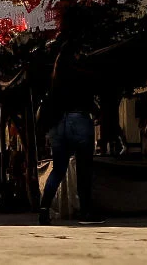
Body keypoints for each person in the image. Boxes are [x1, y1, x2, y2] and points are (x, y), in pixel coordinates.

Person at [39, 44, 100, 225]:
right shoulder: (80, 73)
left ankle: (44, 209)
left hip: (58, 125)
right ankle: (85, 211)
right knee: (83, 169)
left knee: (58, 169)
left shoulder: (55, 78)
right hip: (78, 120)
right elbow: (88, 99)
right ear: (75, 55)